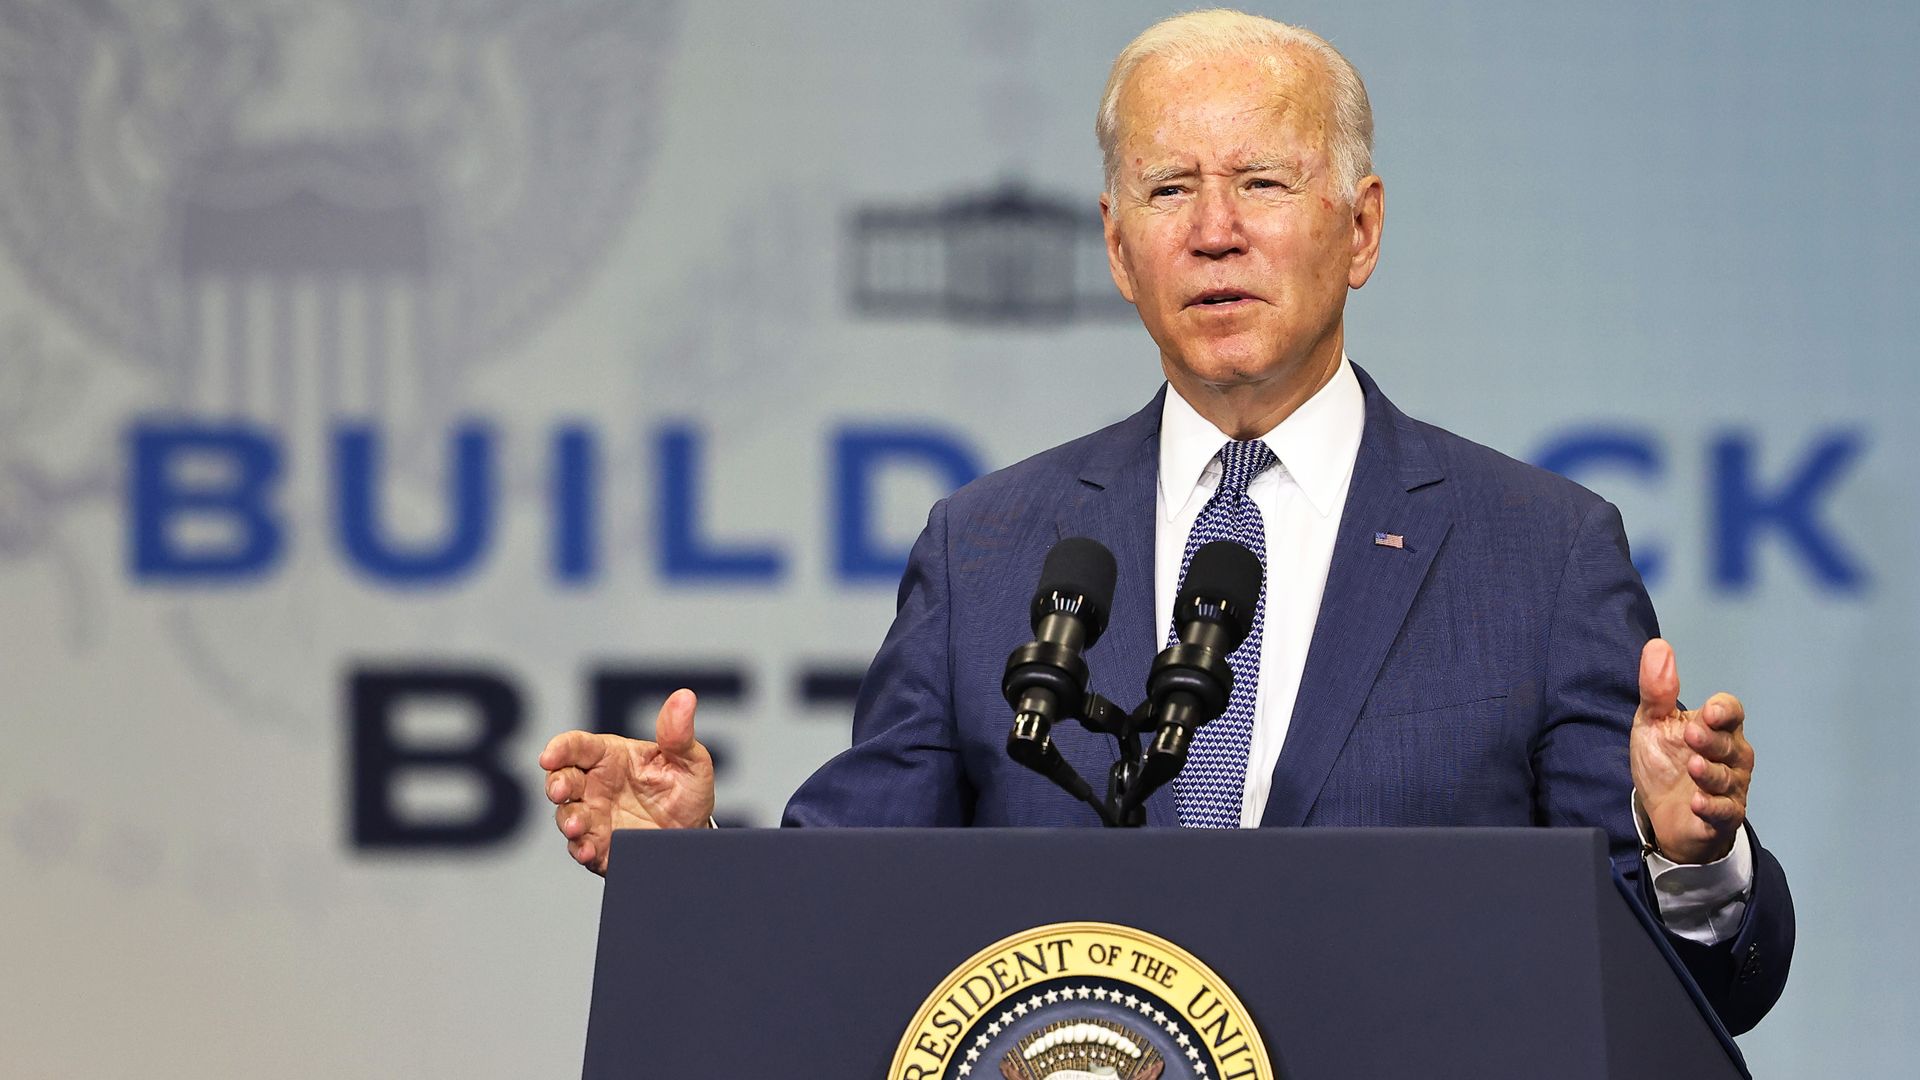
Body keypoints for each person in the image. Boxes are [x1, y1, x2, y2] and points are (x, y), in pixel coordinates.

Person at [539, 9, 1792, 1034]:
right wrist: (691, 863)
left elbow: (1703, 992)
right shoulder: (987, 550)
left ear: (1359, 229)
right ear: (1116, 243)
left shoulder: (1537, 550)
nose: (1214, 231)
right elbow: (853, 906)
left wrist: (1687, 856)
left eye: (1260, 181)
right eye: (1169, 188)